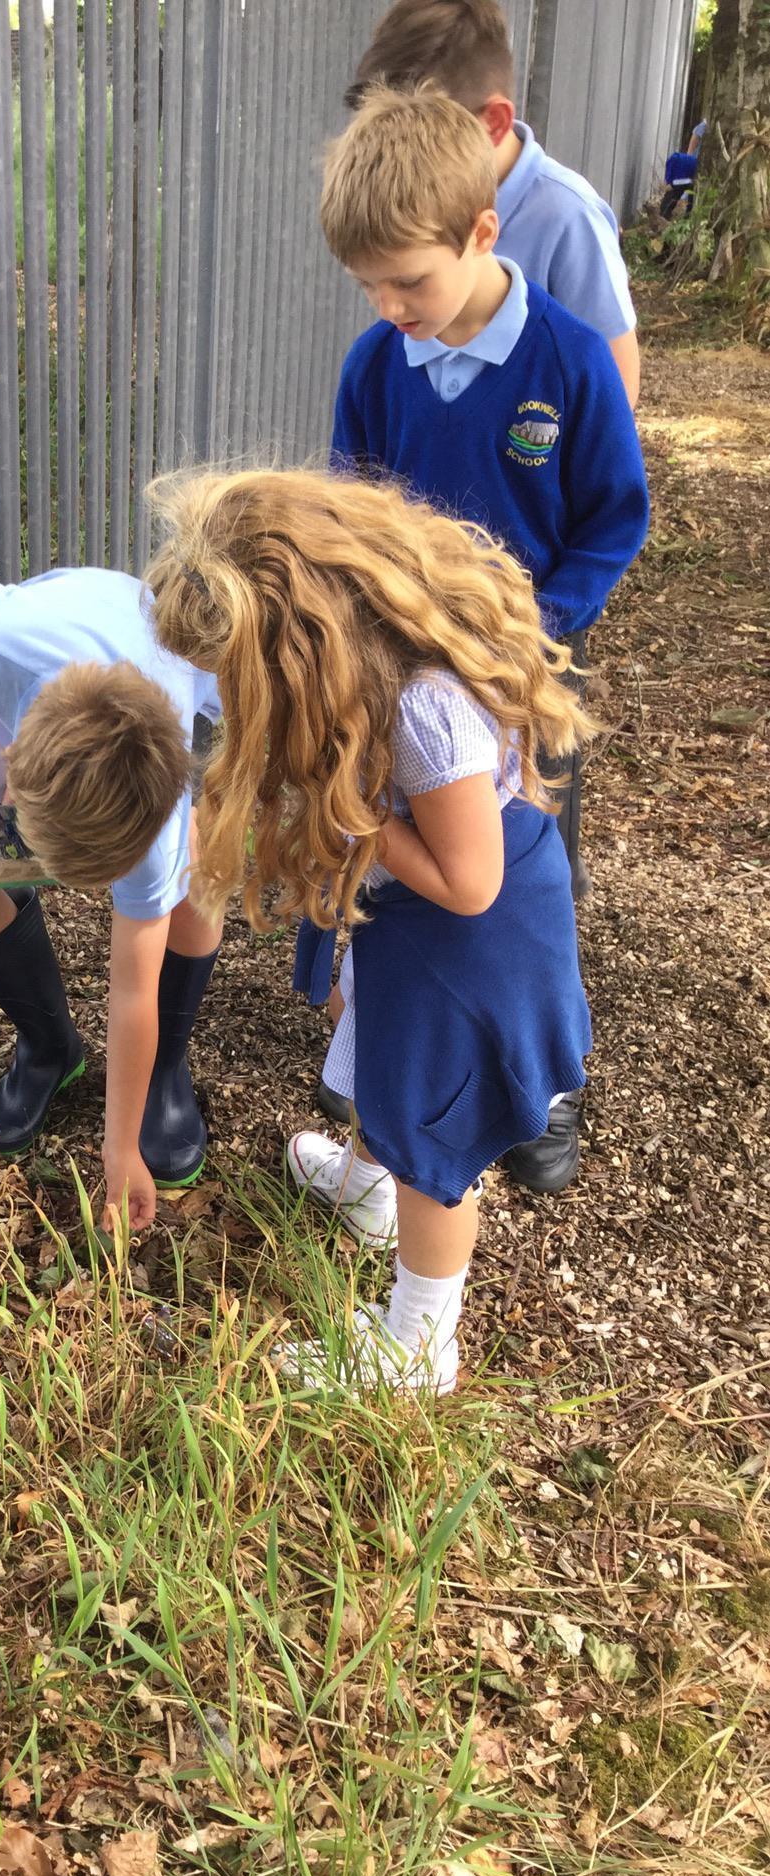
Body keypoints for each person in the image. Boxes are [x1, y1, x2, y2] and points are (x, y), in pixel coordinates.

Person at [146, 467, 595, 1396]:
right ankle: (364, 1186)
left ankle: (419, 1344)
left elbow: (471, 882)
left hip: (475, 939)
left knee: (435, 1135)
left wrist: (352, 814)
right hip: (415, 916)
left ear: (299, 639)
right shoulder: (364, 676)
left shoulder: (423, 708)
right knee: (372, 1035)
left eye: (236, 670)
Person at [320, 83, 649, 1191]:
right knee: (396, 847)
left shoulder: (566, 360)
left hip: (524, 674)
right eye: (368, 285)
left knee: (521, 871)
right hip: (404, 680)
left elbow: (614, 517)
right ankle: (384, 1049)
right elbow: (349, 517)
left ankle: (540, 1084)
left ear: (479, 232)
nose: (389, 306)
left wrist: (530, 636)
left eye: (407, 281)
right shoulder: (375, 367)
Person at [0, 568, 224, 1232]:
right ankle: (49, 1047)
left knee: (198, 871)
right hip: (38, 677)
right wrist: (0, 765)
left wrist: (120, 1148)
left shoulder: (159, 822)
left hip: (169, 683)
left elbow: (132, 990)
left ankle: (165, 1068)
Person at [350, 0, 641, 407]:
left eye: (430, 130)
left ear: (494, 122)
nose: (402, 152)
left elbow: (614, 390)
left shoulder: (569, 217)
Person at [661, 120, 707, 220]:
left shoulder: (704, 127)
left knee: (678, 194)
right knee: (681, 194)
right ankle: (673, 215)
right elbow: (693, 142)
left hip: (688, 170)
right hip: (690, 170)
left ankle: (668, 215)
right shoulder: (703, 127)